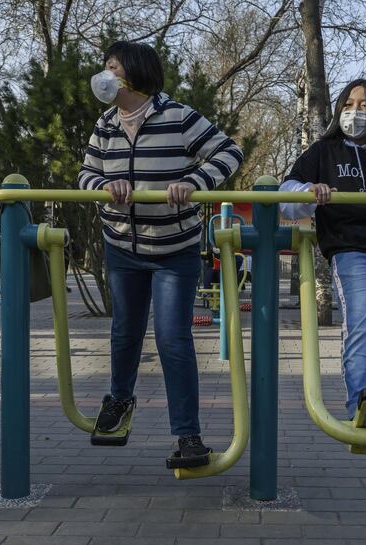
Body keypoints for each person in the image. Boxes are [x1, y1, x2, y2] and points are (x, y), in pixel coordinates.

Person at [78, 41, 243, 465]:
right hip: (122, 246)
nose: (105, 75)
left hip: (174, 248)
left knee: (172, 338)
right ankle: (119, 400)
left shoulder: (178, 116)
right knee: (124, 332)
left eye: (112, 67)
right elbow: (86, 174)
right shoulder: (106, 125)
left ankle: (188, 435)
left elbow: (230, 152)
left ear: (133, 73)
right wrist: (102, 188)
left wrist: (195, 181)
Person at [279, 78, 366, 429]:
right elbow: (287, 190)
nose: (355, 112)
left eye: (365, 106)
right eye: (349, 104)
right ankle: (360, 402)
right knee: (362, 323)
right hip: (351, 245)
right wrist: (310, 190)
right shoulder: (325, 150)